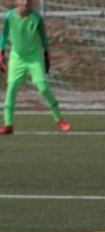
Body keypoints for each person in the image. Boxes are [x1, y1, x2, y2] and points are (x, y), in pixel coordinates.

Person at [0, 0, 71, 135]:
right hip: (17, 58)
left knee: (43, 87)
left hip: (34, 58)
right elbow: (3, 35)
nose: (25, 2)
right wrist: (1, 54)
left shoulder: (37, 18)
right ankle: (8, 124)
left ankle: (59, 119)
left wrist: (46, 54)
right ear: (16, 2)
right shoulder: (9, 17)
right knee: (11, 88)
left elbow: (43, 37)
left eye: (28, 0)